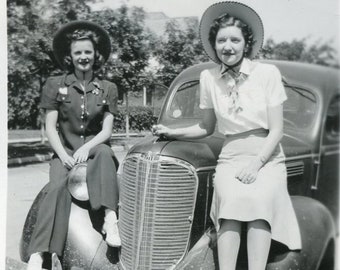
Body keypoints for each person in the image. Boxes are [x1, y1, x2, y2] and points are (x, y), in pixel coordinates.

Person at [153, 2, 301, 270]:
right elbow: (206, 127)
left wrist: (256, 164)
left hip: (266, 157)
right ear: (214, 44)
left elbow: (277, 130)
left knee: (260, 202)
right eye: (221, 40)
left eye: (235, 39)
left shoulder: (267, 74)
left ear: (247, 43)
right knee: (229, 205)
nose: (228, 46)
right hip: (231, 156)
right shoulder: (208, 78)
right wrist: (171, 131)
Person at [27, 21, 121, 270]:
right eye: (78, 52)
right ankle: (39, 253)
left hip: (93, 151)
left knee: (104, 152)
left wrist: (86, 148)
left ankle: (110, 219)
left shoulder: (108, 88)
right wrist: (63, 155)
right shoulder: (55, 85)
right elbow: (50, 128)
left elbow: (107, 131)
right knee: (55, 189)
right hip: (64, 152)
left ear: (95, 55)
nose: (83, 57)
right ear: (70, 56)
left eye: (88, 52)